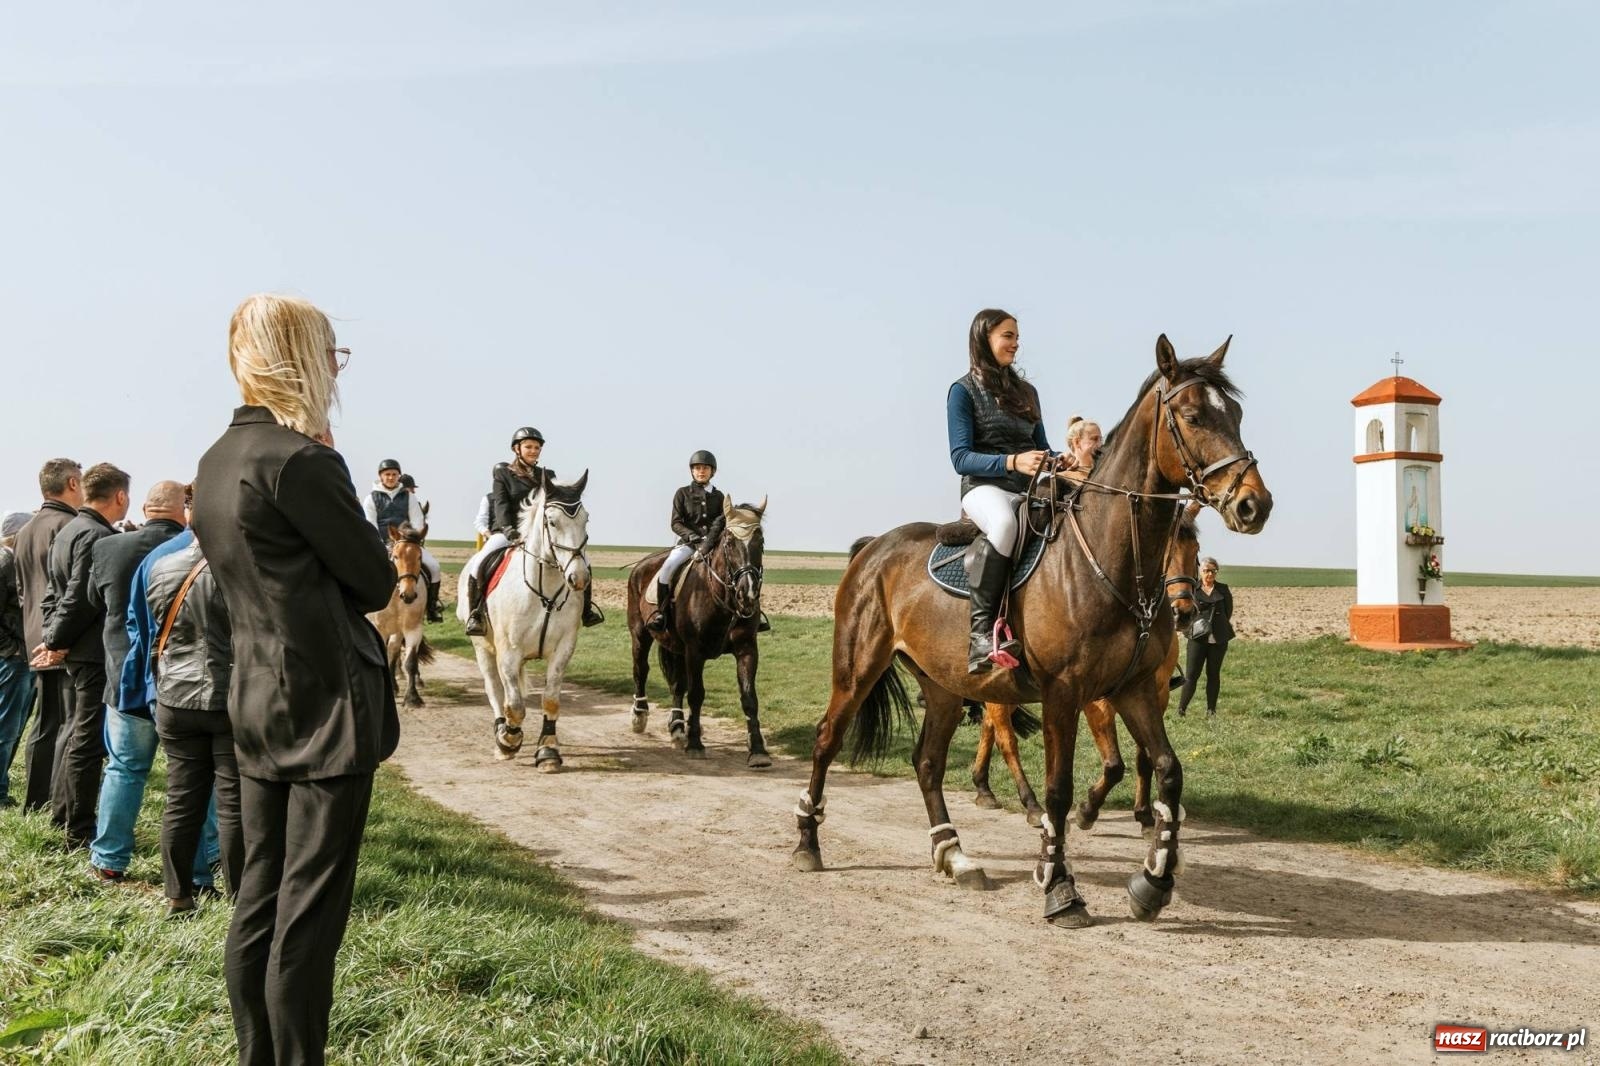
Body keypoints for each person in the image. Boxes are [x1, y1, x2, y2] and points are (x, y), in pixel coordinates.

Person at [191, 293, 398, 1066]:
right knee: (308, 919)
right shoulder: (303, 461)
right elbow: (375, 582)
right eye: (331, 355)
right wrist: (331, 460)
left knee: (257, 901)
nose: (334, 371)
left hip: (256, 701)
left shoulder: (216, 459)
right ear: (301, 360)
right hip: (326, 708)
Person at [85, 481, 193, 882]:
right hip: (184, 681)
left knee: (124, 768)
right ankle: (200, 864)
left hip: (126, 676)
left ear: (144, 507)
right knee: (194, 777)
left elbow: (97, 606)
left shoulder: (110, 547)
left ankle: (109, 858)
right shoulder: (195, 550)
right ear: (182, 510)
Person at [947, 308, 1052, 673]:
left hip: (1027, 489)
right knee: (1005, 524)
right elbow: (960, 458)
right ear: (984, 338)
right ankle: (979, 637)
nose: (1015, 343)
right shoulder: (962, 391)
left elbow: (1041, 446)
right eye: (1008, 336)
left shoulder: (1028, 393)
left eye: (1016, 337)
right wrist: (1012, 462)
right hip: (983, 489)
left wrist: (1059, 463)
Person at [33, 462, 131, 849]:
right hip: (90, 651)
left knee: (73, 733)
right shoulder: (96, 535)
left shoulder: (69, 530)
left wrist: (51, 636)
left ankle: (62, 815)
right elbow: (79, 598)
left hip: (73, 649)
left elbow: (51, 596)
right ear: (120, 496)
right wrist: (56, 640)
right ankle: (78, 828)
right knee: (87, 741)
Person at [147, 529, 241, 917]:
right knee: (234, 805)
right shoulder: (237, 570)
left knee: (182, 801)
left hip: (174, 694)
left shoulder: (162, 566)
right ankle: (242, 899)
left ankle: (178, 896)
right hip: (227, 696)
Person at [459, 426, 603, 635]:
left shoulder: (548, 475)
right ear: (517, 449)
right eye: (528, 447)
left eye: (537, 447)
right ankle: (476, 613)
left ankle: (586, 611)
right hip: (509, 533)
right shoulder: (503, 474)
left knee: (583, 561)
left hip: (539, 535)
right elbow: (501, 505)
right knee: (481, 560)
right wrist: (508, 531)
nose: (533, 450)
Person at [13, 458, 82, 815]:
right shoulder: (69, 526)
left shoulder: (25, 530)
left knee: (44, 722)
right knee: (69, 722)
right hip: (62, 640)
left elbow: (24, 591)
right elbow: (71, 589)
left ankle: (35, 801)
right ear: (72, 484)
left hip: (32, 636)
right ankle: (58, 802)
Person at [646, 450, 726, 634]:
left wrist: (709, 541)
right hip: (688, 545)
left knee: (736, 567)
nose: (701, 471)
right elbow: (676, 522)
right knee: (667, 568)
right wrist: (692, 536)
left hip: (713, 545)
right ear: (692, 471)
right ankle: (661, 614)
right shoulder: (682, 493)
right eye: (697, 468)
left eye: (705, 468)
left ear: (712, 471)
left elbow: (721, 522)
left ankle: (745, 613)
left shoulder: (719, 496)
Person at [361, 460, 443, 622]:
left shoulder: (409, 497)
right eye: (387, 475)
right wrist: (382, 545)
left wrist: (413, 540)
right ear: (381, 477)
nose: (391, 478)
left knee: (434, 567)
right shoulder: (370, 499)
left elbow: (418, 521)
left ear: (399, 476)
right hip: (382, 544)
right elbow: (370, 524)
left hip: (408, 544)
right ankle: (361, 606)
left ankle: (432, 607)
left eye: (394, 474)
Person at [0, 512, 37, 807]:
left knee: (14, 725)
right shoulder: (4, 563)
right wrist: (10, 649)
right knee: (7, 727)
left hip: (20, 657)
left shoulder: (13, 562)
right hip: (11, 659)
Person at [1177, 556, 1234, 718]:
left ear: (1216, 572)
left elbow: (1227, 612)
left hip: (1219, 638)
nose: (1209, 574)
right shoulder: (1193, 589)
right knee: (1191, 675)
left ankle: (1211, 710)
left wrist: (1216, 625)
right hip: (1197, 638)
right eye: (1206, 571)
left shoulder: (1223, 589)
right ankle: (1181, 709)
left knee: (1213, 674)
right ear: (1200, 572)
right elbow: (1185, 612)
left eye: (1212, 571)